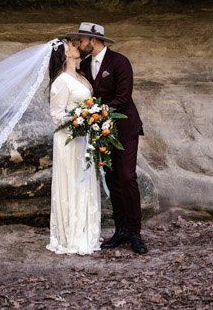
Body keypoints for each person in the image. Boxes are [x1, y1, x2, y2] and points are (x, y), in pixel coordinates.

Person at [68, 22, 147, 254]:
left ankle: (135, 233)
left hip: (124, 128)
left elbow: (123, 98)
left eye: (81, 41)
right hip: (102, 131)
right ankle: (121, 229)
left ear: (92, 40)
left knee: (127, 177)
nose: (79, 45)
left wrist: (96, 114)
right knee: (112, 179)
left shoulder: (120, 62)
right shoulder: (84, 64)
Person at [46, 37, 102, 254]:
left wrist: (91, 119)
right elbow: (56, 115)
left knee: (85, 181)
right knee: (73, 182)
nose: (77, 46)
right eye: (72, 45)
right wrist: (80, 119)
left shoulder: (81, 76)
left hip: (84, 138)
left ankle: (87, 232)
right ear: (66, 53)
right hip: (69, 140)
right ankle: (71, 236)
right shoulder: (61, 81)